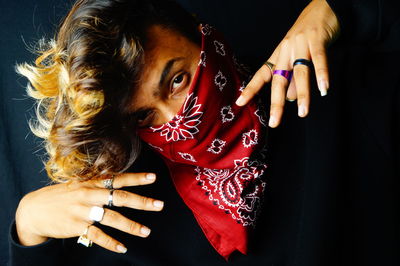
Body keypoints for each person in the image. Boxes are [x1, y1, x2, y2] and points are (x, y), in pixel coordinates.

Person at [7, 0, 400, 265]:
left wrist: (340, 10)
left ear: (203, 37)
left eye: (177, 80)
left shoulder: (331, 92)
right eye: (144, 116)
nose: (178, 119)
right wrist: (27, 231)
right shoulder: (130, 203)